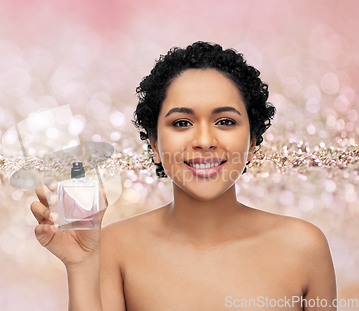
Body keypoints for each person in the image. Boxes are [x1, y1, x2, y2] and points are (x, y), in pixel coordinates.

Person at [31, 41, 337, 310]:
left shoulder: (303, 247)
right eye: (181, 123)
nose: (204, 140)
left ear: (253, 140)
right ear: (153, 142)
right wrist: (82, 264)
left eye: (226, 121)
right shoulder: (114, 247)